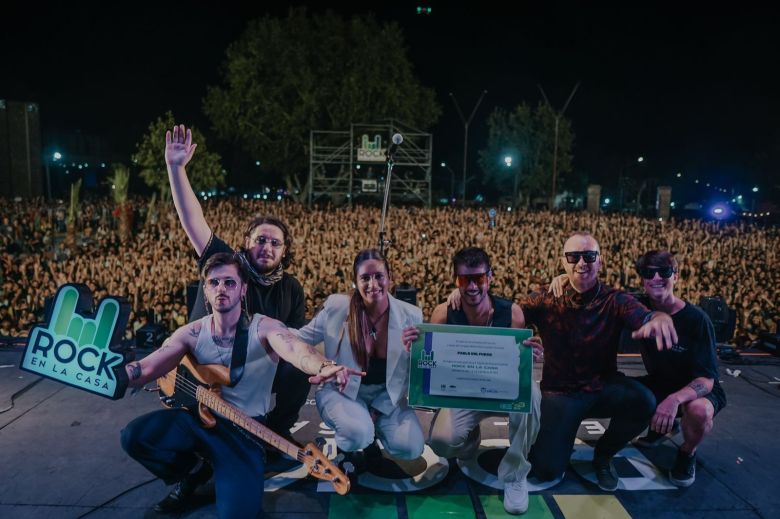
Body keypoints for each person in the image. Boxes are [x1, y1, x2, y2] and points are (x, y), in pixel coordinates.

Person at [120, 252, 358, 518]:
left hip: (244, 433)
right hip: (198, 423)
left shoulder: (264, 328)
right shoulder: (192, 332)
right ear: (206, 291)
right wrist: (122, 374)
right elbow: (152, 364)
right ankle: (193, 472)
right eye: (214, 283)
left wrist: (323, 366)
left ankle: (222, 471)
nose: (221, 288)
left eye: (229, 282)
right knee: (135, 436)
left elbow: (294, 348)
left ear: (243, 289)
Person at [165, 126, 309, 475]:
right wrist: (176, 168)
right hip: (205, 369)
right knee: (200, 447)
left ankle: (272, 433)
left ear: (285, 251)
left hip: (255, 374)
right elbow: (193, 220)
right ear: (246, 243)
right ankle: (190, 475)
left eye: (275, 243)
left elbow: (293, 342)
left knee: (298, 370)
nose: (267, 247)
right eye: (260, 239)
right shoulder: (226, 264)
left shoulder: (290, 288)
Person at [524, 231, 678, 491]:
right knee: (547, 471)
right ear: (563, 262)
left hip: (602, 388)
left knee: (644, 401)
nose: (581, 262)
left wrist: (659, 318)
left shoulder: (614, 299)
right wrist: (460, 297)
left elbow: (642, 314)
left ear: (600, 261)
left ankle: (604, 454)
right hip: (559, 393)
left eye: (589, 256)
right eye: (573, 257)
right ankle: (559, 440)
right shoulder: (545, 298)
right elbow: (511, 315)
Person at [418, 247, 543, 515]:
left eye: (479, 279)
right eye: (465, 280)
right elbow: (432, 365)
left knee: (531, 393)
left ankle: (515, 474)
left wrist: (529, 354)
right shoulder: (443, 313)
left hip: (500, 391)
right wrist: (416, 351)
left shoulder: (512, 314)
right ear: (455, 281)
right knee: (441, 442)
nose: (472, 286)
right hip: (463, 394)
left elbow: (519, 364)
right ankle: (469, 439)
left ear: (490, 277)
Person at [296, 248, 425, 473]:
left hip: (386, 397)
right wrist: (266, 330)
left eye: (378, 276)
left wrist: (414, 353)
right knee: (357, 434)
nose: (373, 284)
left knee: (411, 447)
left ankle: (371, 432)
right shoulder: (337, 307)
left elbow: (413, 376)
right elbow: (300, 339)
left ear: (389, 277)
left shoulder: (411, 316)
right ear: (355, 281)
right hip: (341, 392)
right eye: (365, 278)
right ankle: (350, 447)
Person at [630, 250, 726, 487]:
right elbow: (603, 297)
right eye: (648, 273)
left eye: (664, 272)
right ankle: (662, 427)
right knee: (615, 389)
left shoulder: (697, 320)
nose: (656, 278)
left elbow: (706, 380)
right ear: (641, 278)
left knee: (699, 410)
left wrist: (674, 400)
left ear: (677, 276)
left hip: (696, 389)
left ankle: (687, 452)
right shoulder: (638, 306)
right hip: (660, 381)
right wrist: (562, 280)